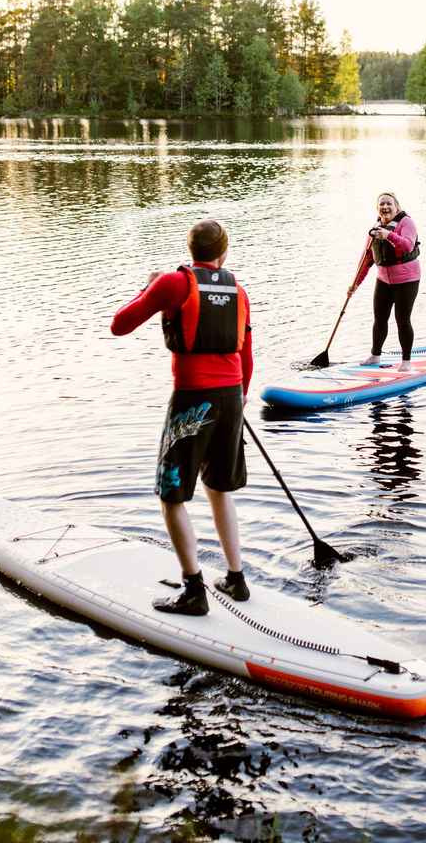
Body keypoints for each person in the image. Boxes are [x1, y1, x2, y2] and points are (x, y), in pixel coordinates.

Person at [110, 219, 253, 615]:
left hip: (193, 399)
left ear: (191, 251)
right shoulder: (238, 291)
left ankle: (194, 591)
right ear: (224, 253)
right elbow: (247, 357)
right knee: (218, 488)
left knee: (171, 495)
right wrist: (237, 401)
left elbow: (119, 325)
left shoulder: (174, 283)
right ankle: (236, 578)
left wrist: (149, 286)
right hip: (231, 397)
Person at [348, 192, 421, 370]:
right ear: (377, 208)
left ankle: (406, 362)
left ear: (397, 206)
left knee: (402, 319)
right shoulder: (375, 229)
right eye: (382, 204)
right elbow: (366, 260)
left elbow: (407, 246)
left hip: (407, 279)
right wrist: (355, 284)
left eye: (389, 204)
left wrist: (388, 235)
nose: (385, 207)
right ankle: (375, 356)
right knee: (379, 319)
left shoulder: (406, 223)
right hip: (383, 280)